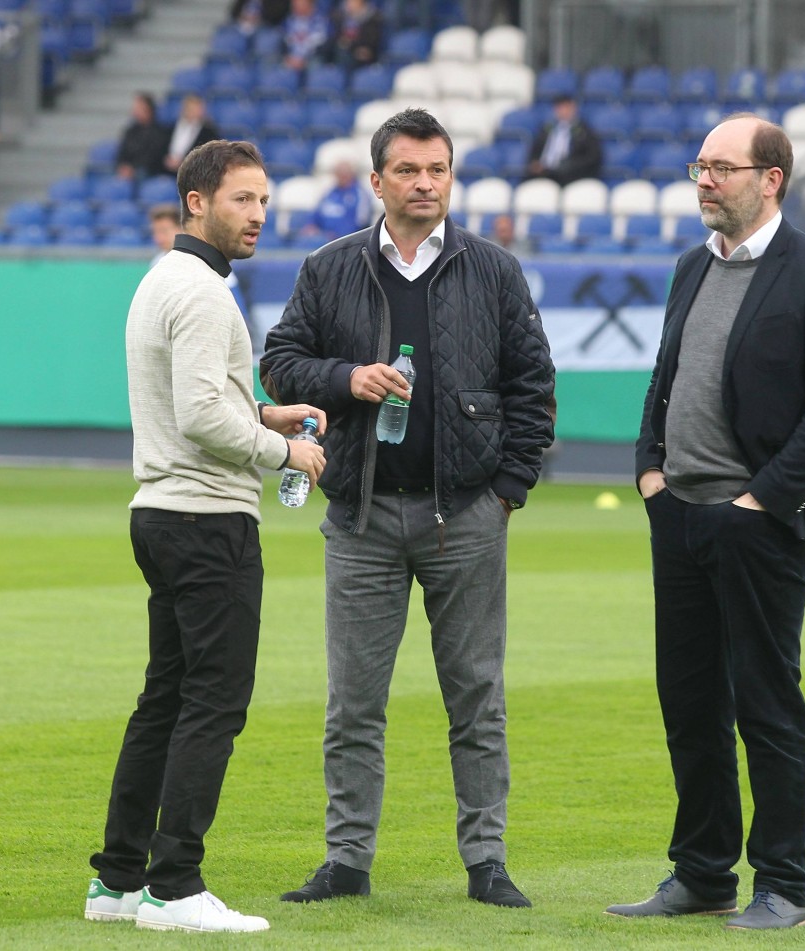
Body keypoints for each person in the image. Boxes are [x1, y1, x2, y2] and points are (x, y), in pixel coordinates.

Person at [260, 107, 555, 910]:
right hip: (360, 518)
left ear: (450, 177)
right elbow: (279, 364)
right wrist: (346, 378)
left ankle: (487, 859)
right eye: (410, 171)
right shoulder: (330, 266)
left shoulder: (494, 269)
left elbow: (533, 388)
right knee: (353, 703)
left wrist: (506, 494)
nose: (426, 184)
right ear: (377, 180)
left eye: (439, 170)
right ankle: (347, 860)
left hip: (465, 517)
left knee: (476, 698)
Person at [607, 113, 805, 930]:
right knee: (688, 702)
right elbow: (665, 376)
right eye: (700, 166)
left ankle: (787, 884)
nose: (705, 180)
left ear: (771, 178)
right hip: (677, 514)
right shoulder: (693, 264)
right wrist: (650, 471)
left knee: (765, 701)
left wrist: (763, 498)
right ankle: (703, 873)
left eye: (721, 167)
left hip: (756, 524)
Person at [85, 140, 327, 934]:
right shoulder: (203, 293)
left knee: (165, 696)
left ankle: (119, 879)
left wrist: (264, 411)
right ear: (198, 202)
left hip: (160, 511)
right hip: (205, 519)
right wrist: (284, 449)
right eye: (243, 200)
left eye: (263, 200)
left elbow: (206, 403)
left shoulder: (166, 279)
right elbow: (199, 417)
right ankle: (174, 883)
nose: (260, 214)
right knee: (213, 702)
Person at [525, 93, 602, 186]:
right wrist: (535, 164)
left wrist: (570, 165)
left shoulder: (584, 132)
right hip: (544, 173)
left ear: (574, 108)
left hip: (568, 175)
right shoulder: (546, 130)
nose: (564, 111)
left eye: (567, 107)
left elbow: (592, 156)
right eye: (560, 108)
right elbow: (534, 151)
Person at [303, 159, 373, 239]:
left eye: (345, 172)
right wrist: (311, 226)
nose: (342, 176)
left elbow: (361, 224)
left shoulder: (360, 195)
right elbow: (316, 214)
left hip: (345, 241)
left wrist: (338, 235)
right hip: (323, 237)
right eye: (339, 173)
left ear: (352, 173)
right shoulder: (330, 193)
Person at [115, 93, 171, 180]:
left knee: (141, 174)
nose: (135, 111)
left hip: (148, 170)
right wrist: (123, 165)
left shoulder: (159, 131)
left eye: (138, 107)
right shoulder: (130, 130)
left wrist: (133, 168)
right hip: (129, 169)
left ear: (148, 109)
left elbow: (153, 156)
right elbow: (122, 151)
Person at [162, 94, 220, 175]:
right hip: (166, 170)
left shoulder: (208, 132)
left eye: (197, 108)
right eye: (190, 108)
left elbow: (209, 154)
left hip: (192, 173)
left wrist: (183, 162)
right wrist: (166, 160)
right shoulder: (170, 128)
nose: (193, 111)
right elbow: (161, 148)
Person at [322, 0, 383, 69]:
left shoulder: (373, 18)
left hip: (361, 55)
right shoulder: (340, 16)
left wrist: (350, 44)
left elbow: (370, 42)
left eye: (353, 2)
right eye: (348, 1)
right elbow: (335, 36)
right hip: (343, 50)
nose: (349, 4)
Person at [283, 0, 330, 72]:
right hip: (291, 59)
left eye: (299, 3)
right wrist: (288, 57)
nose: (294, 6)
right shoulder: (288, 21)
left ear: (310, 4)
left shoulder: (321, 21)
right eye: (294, 3)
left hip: (312, 60)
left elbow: (321, 45)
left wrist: (303, 60)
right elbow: (285, 42)